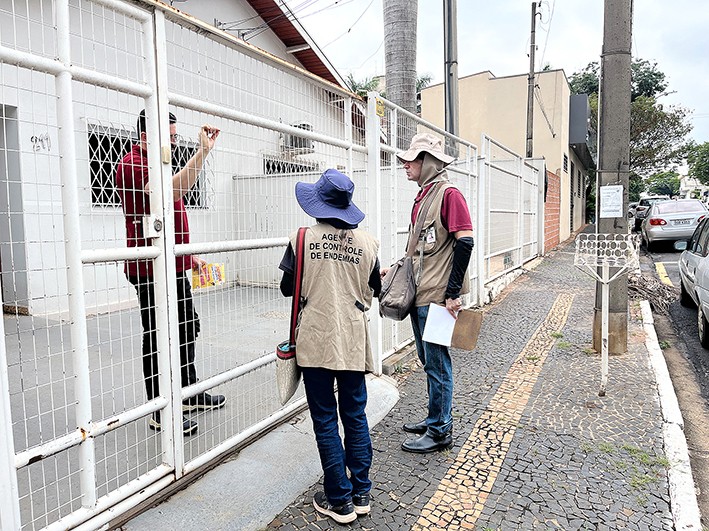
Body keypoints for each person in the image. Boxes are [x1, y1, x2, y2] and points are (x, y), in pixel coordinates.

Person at [279, 169, 381, 524]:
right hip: (353, 338)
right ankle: (361, 491)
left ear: (317, 205)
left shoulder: (301, 238)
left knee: (324, 416)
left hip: (316, 338)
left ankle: (339, 500)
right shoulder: (369, 243)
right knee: (355, 414)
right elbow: (375, 289)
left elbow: (286, 289)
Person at [115, 110, 226, 436]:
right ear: (148, 135)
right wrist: (202, 152)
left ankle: (188, 392)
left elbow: (172, 218)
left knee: (188, 325)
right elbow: (170, 194)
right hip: (149, 269)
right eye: (171, 138)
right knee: (157, 335)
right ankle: (159, 408)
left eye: (177, 138)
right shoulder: (132, 163)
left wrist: (189, 259)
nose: (175, 143)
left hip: (173, 263)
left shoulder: (161, 166)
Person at [391, 133, 474, 454]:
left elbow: (465, 241)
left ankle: (441, 431)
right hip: (420, 294)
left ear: (428, 162)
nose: (405, 165)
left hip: (439, 297)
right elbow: (420, 249)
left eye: (410, 160)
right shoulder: (425, 195)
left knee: (438, 364)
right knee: (428, 361)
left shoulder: (449, 194)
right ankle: (434, 417)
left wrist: (452, 294)